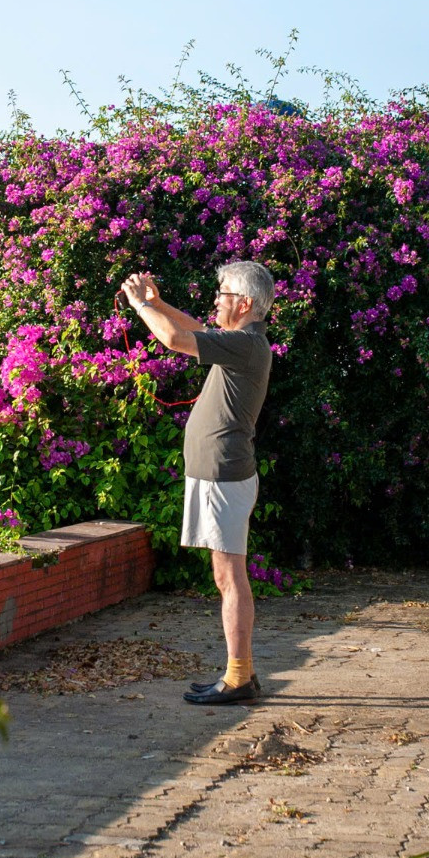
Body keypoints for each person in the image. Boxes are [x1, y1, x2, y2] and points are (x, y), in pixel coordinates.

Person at [120, 261, 275, 705]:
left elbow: (173, 339)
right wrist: (156, 302)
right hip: (219, 476)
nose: (215, 300)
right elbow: (194, 329)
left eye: (222, 293)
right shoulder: (241, 342)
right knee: (227, 576)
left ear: (243, 303)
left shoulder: (247, 344)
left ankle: (239, 678)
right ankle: (240, 673)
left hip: (224, 477)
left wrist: (137, 306)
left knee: (230, 578)